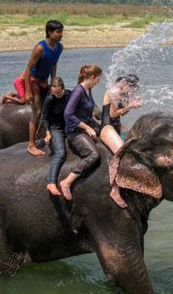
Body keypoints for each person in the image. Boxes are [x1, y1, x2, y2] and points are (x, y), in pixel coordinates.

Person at [60, 65, 103, 201]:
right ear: (91, 77)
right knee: (93, 155)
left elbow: (89, 112)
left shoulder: (88, 89)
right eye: (98, 79)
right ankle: (67, 182)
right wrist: (87, 127)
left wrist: (98, 124)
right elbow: (68, 114)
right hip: (75, 132)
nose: (99, 82)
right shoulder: (78, 91)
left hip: (86, 128)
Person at [100, 74, 143, 208]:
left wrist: (131, 105)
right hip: (107, 128)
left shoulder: (120, 92)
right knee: (121, 154)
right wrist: (130, 105)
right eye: (132, 89)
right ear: (125, 84)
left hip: (116, 128)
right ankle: (115, 189)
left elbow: (121, 112)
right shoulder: (113, 92)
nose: (132, 92)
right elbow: (113, 114)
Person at [24, 20, 64, 156]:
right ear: (50, 33)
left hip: (45, 82)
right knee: (38, 112)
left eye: (61, 32)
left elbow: (53, 64)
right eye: (58, 32)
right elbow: (28, 69)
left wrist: (53, 82)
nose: (61, 35)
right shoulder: (40, 48)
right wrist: (28, 91)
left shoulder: (59, 47)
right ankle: (31, 144)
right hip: (34, 81)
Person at [42, 77, 71, 195]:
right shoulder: (50, 99)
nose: (56, 95)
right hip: (56, 128)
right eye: (54, 93)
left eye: (58, 92)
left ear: (63, 88)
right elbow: (45, 117)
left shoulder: (70, 95)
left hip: (69, 126)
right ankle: (51, 182)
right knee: (60, 153)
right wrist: (48, 132)